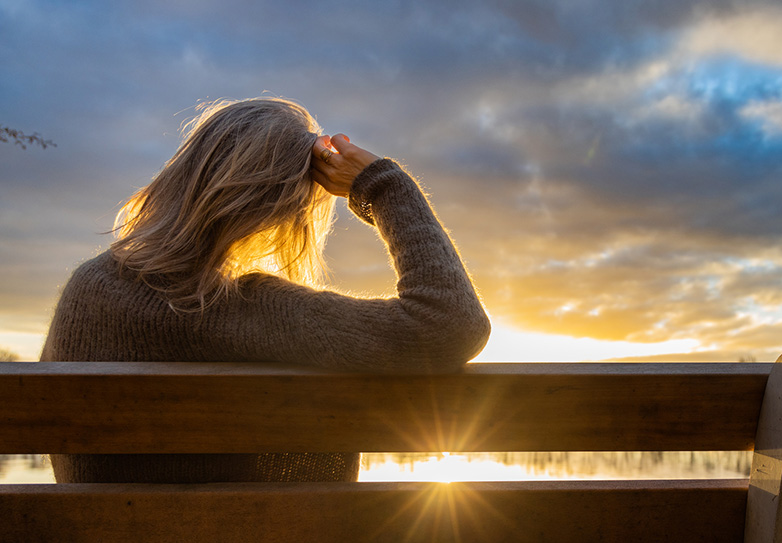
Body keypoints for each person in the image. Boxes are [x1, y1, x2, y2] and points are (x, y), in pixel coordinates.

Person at [40, 97, 491, 483]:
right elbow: (450, 323)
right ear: (285, 206)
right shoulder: (241, 310)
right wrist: (385, 186)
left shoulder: (87, 287)